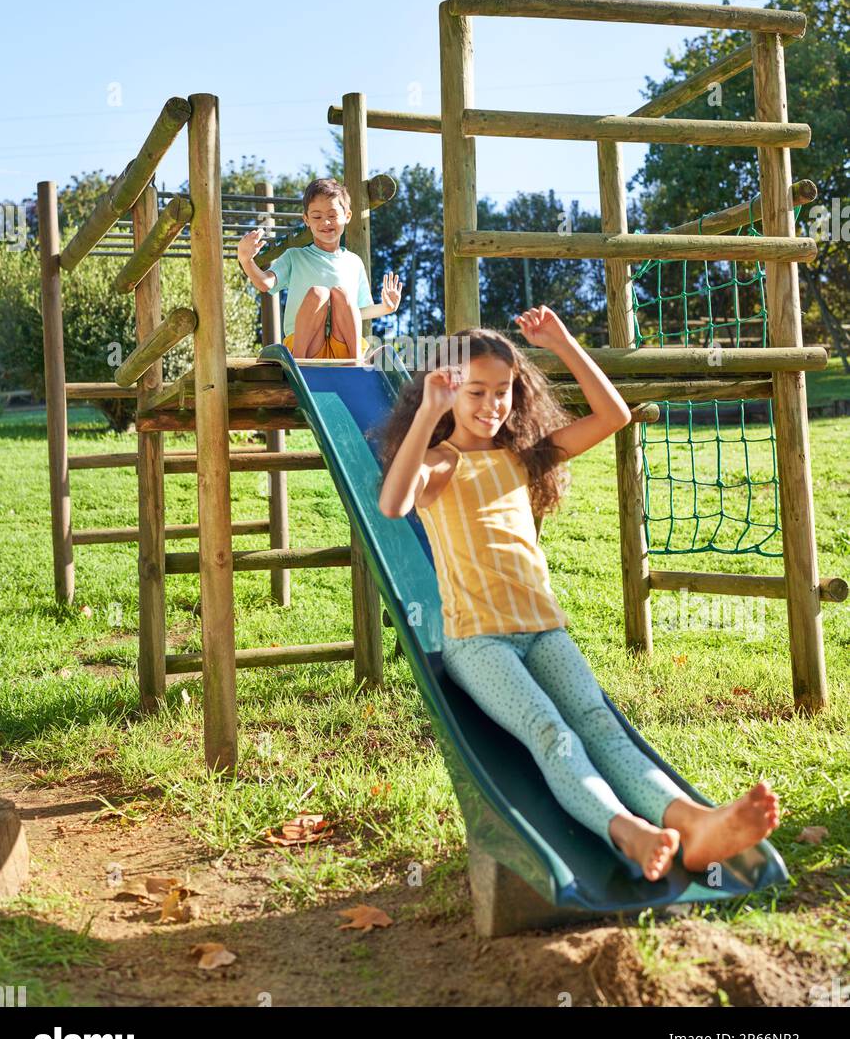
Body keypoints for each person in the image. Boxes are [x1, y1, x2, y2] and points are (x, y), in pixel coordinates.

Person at [377, 305, 780, 882]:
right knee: (551, 731)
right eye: (475, 393)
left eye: (503, 392)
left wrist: (562, 342)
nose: (492, 405)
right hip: (479, 642)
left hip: (544, 629)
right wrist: (428, 415)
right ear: (448, 393)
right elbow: (392, 505)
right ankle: (631, 832)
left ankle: (694, 824)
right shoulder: (441, 462)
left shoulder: (523, 456)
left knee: (600, 723)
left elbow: (613, 415)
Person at [237, 177, 402, 359]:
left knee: (342, 294)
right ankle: (299, 363)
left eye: (332, 215)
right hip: (307, 345)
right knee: (319, 293)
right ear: (306, 220)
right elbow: (264, 283)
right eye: (317, 217)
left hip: (343, 346)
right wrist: (247, 261)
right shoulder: (295, 257)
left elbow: (359, 311)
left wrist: (387, 307)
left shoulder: (354, 262)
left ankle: (356, 362)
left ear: (347, 216)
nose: (325, 222)